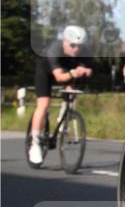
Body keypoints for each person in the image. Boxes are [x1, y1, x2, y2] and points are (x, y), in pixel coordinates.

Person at [29, 25, 93, 164]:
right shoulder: (55, 50)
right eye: (73, 45)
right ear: (64, 42)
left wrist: (87, 71)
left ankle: (65, 115)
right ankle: (35, 143)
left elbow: (88, 69)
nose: (76, 49)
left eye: (80, 46)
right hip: (46, 71)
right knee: (44, 104)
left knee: (72, 90)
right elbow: (59, 77)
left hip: (67, 71)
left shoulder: (84, 51)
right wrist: (74, 72)